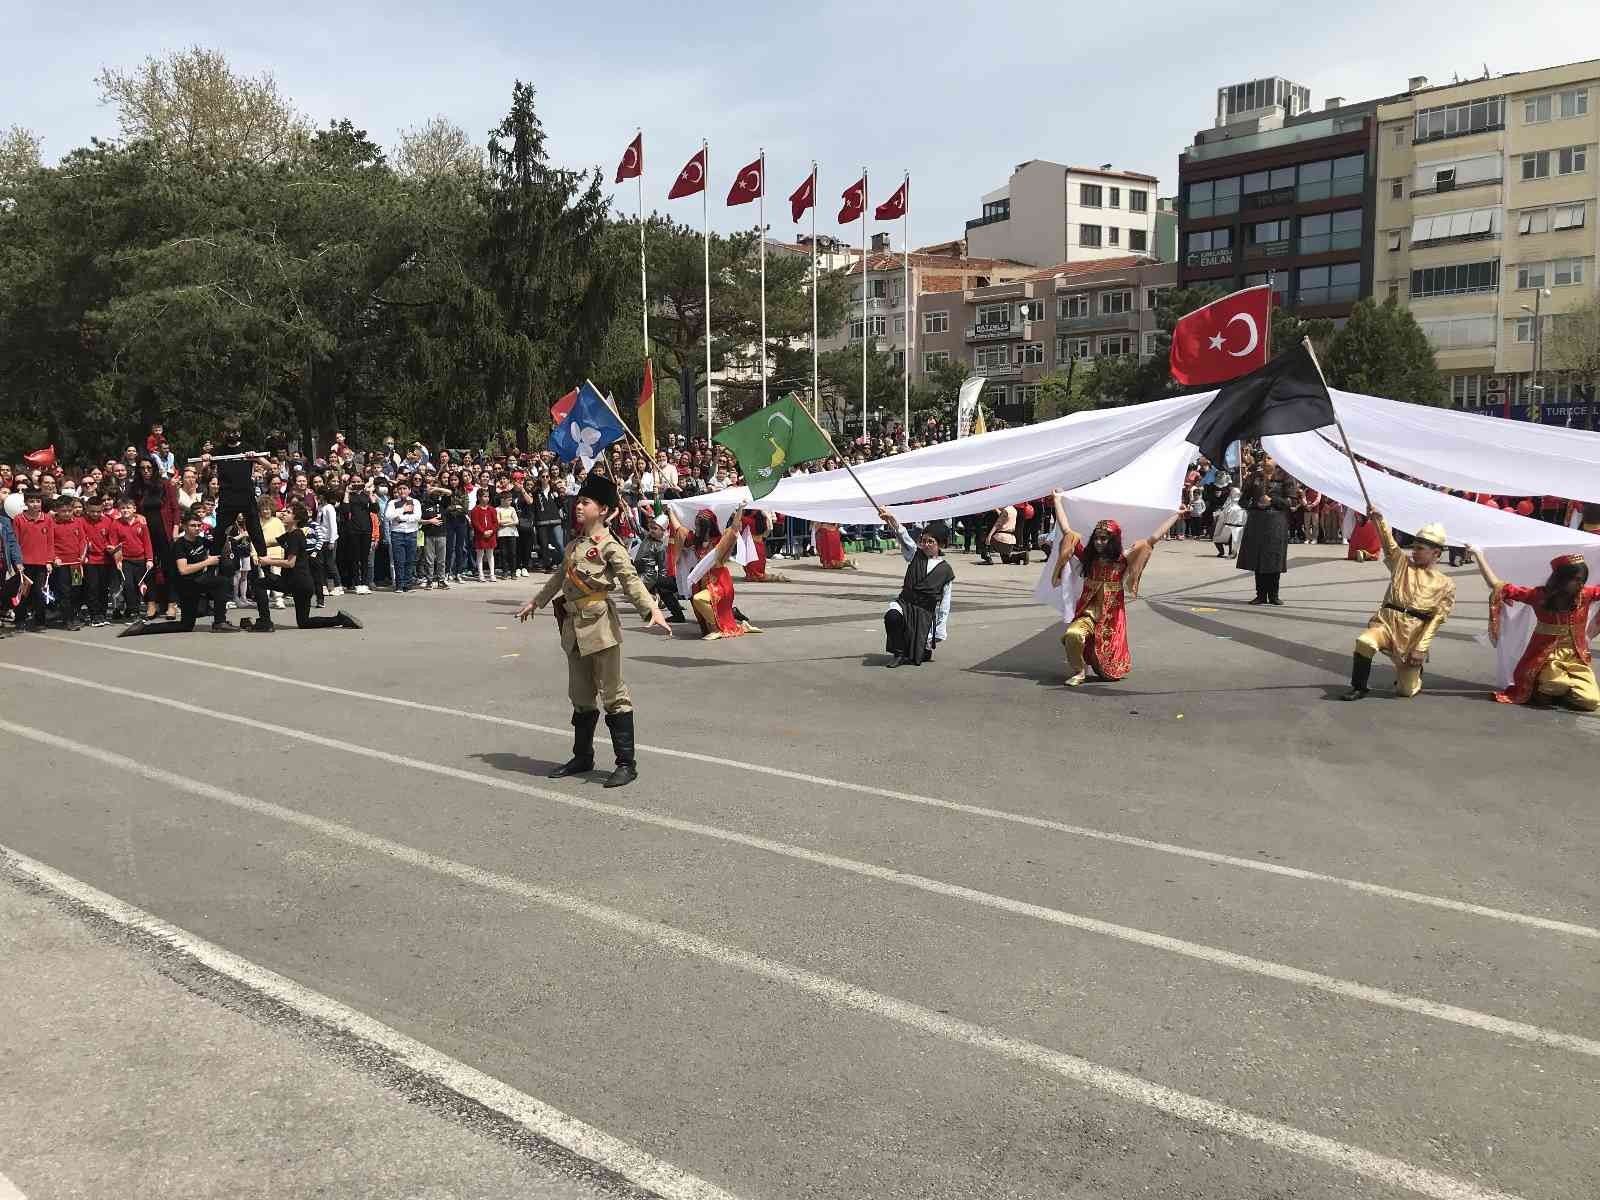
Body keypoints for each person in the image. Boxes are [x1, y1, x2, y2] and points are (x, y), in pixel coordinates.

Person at [517, 474, 670, 789]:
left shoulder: (610, 546)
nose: (579, 507)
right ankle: (582, 756)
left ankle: (626, 764)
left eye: (585, 502)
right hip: (573, 627)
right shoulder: (574, 545)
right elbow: (559, 578)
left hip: (600, 626)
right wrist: (537, 601)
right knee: (581, 696)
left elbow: (630, 580)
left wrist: (651, 609)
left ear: (603, 510)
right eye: (579, 501)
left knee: (613, 694)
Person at [1050, 490, 1181, 687]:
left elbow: (1152, 539)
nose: (1099, 542)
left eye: (1104, 539)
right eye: (1097, 538)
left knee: (1109, 673)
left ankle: (1096, 662)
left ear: (1113, 540)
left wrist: (1176, 515)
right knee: (1073, 635)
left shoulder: (1122, 560)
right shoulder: (1088, 558)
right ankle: (1079, 671)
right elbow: (1067, 530)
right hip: (1088, 612)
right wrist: (1057, 500)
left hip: (1111, 616)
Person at [1341, 511, 1455, 701]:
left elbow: (1437, 619)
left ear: (1436, 553)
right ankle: (1359, 687)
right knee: (1364, 642)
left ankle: (1415, 674)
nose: (1413, 552)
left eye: (1420, 548)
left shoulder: (1446, 583)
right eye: (1413, 547)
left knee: (1405, 692)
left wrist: (1421, 648)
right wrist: (1378, 519)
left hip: (1412, 635)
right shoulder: (1402, 564)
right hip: (1386, 624)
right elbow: (1388, 543)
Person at [1469, 548, 1599, 711]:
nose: (1581, 584)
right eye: (1577, 579)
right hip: (1545, 657)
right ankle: (1543, 688)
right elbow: (1497, 585)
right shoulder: (1539, 596)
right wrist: (1478, 555)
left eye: (1583, 580)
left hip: (1576, 658)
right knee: (1556, 683)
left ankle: (1559, 693)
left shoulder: (1586, 594)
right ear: (1562, 579)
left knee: (1591, 702)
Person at [241, 503, 362, 633]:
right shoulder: (290, 535)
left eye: (288, 512)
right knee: (304, 622)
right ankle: (339, 619)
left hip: (296, 582)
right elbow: (268, 542)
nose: (284, 514)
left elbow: (290, 563)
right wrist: (248, 538)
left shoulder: (296, 536)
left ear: (296, 518)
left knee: (259, 583)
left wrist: (268, 561)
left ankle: (264, 621)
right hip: (303, 584)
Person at [121, 507, 239, 635]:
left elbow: (220, 545)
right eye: (193, 525)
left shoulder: (200, 540)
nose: (197, 528)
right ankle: (142, 628)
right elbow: (183, 570)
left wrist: (226, 535)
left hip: (198, 581)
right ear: (184, 526)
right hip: (186, 585)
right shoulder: (180, 545)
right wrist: (207, 562)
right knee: (187, 623)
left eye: (199, 525)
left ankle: (219, 622)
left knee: (220, 584)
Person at [878, 509, 953, 668]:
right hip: (905, 603)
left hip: (924, 612)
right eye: (923, 540)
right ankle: (898, 653)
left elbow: (944, 604)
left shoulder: (945, 571)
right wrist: (891, 519)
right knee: (892, 617)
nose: (925, 545)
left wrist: (940, 630)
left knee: (919, 654)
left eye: (930, 542)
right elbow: (904, 536)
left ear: (941, 544)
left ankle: (921, 649)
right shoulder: (915, 555)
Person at [680, 508, 762, 640]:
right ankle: (731, 626)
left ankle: (718, 629)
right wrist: (671, 510)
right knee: (701, 605)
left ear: (708, 526)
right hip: (702, 581)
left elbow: (734, 529)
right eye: (697, 524)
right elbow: (679, 529)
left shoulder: (719, 541)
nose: (697, 527)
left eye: (700, 524)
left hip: (719, 581)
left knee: (699, 600)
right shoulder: (697, 541)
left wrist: (740, 509)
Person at [1237, 473, 1293, 605]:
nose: (1267, 459)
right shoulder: (1254, 476)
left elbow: (1290, 502)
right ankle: (1260, 595)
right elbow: (1243, 501)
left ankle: (1274, 595)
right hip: (1257, 523)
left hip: (1276, 524)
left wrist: (1272, 501)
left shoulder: (1286, 477)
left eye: (1270, 457)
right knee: (1259, 560)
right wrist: (1256, 503)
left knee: (1274, 560)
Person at [632, 513, 687, 622]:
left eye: (655, 529)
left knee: (636, 587)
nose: (652, 530)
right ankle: (661, 604)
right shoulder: (646, 537)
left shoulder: (660, 547)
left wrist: (661, 582)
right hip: (639, 572)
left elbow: (663, 567)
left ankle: (655, 606)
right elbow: (635, 527)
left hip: (649, 575)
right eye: (651, 528)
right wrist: (628, 514)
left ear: (662, 531)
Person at [49, 494, 88, 631]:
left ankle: (74, 614)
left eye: (69, 511)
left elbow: (83, 540)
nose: (66, 514)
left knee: (76, 590)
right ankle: (68, 619)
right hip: (62, 565)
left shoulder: (77, 522)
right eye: (63, 511)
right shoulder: (52, 523)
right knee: (65, 592)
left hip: (75, 564)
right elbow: (50, 543)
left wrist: (82, 555)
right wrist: (55, 558)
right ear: (57, 510)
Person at [112, 497, 151, 622]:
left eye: (128, 507)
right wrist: (118, 561)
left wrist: (149, 559)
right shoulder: (116, 524)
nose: (125, 510)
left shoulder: (141, 524)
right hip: (126, 560)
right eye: (122, 508)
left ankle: (134, 609)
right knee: (128, 585)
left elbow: (147, 542)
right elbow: (114, 546)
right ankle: (133, 611)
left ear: (134, 509)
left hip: (140, 559)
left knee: (139, 586)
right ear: (119, 510)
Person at [386, 480, 422, 592]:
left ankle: (408, 584)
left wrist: (400, 517)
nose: (402, 491)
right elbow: (388, 516)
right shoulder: (392, 502)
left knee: (410, 560)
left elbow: (417, 517)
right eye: (400, 488)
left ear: (409, 490)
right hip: (397, 533)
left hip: (411, 533)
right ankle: (399, 585)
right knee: (399, 560)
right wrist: (403, 509)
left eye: (405, 488)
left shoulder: (415, 502)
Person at [470, 487, 499, 581]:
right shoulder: (475, 510)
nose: (487, 498)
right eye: (484, 496)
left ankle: (492, 574)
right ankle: (481, 574)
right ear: (479, 497)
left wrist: (491, 531)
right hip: (480, 535)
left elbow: (496, 522)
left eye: (488, 496)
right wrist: (483, 532)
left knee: (490, 555)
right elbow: (475, 523)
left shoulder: (492, 509)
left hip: (491, 535)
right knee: (480, 555)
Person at [1211, 487, 1244, 559]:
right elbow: (1223, 509)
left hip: (1234, 525)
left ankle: (1231, 552)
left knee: (1232, 540)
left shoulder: (1240, 503)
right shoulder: (1228, 500)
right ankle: (1221, 552)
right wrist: (1217, 514)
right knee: (1216, 538)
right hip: (1224, 524)